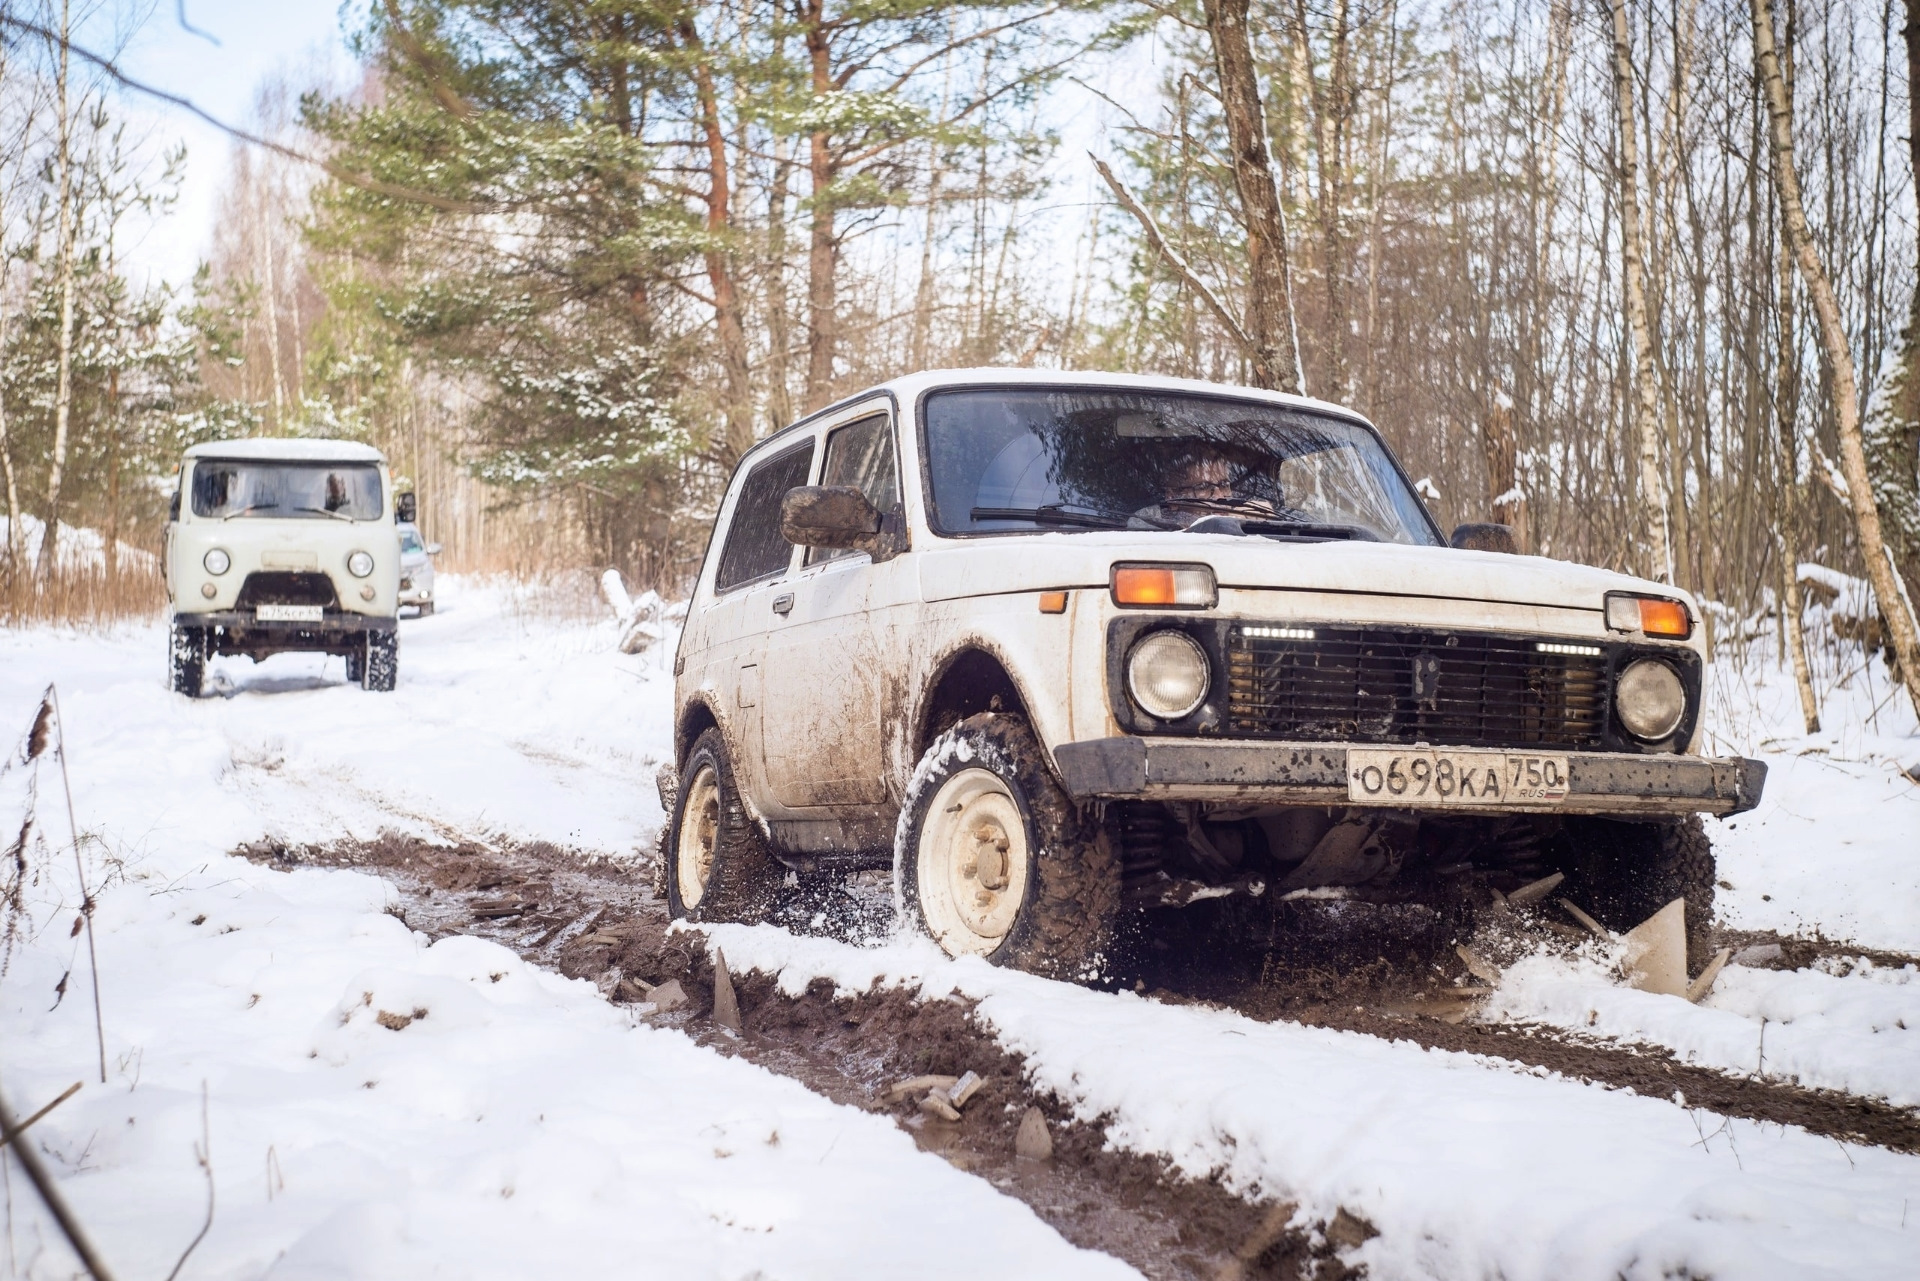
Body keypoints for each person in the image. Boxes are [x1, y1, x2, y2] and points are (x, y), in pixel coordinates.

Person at [1130, 449, 1276, 529]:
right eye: (1203, 487)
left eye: (1224, 485)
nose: (1219, 496)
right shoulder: (1146, 522)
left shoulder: (1248, 514)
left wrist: (1264, 521)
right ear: (1172, 498)